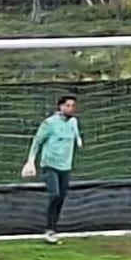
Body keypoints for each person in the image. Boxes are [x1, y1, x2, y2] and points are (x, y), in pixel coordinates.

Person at [23, 95, 83, 245]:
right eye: (68, 106)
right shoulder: (49, 123)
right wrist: (31, 161)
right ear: (60, 107)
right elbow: (37, 142)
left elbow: (75, 134)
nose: (71, 109)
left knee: (61, 197)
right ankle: (49, 230)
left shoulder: (73, 122)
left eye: (73, 106)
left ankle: (53, 229)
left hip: (65, 166)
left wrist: (78, 140)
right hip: (50, 164)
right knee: (54, 194)